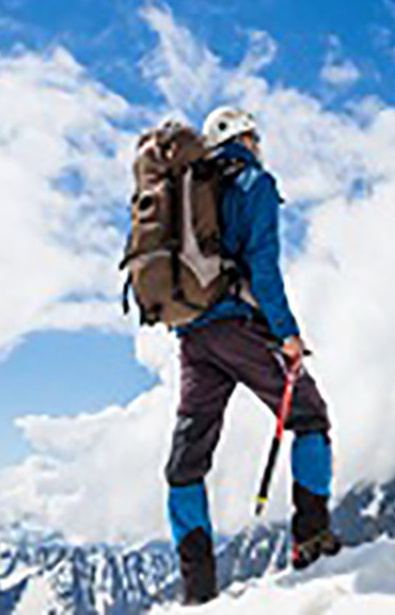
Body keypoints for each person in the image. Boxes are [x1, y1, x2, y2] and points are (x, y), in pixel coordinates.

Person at [163, 106, 339, 606]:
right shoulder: (253, 182)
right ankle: (312, 541)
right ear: (245, 138)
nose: (260, 144)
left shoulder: (187, 188)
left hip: (192, 337)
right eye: (256, 136)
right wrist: (287, 333)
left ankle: (197, 593)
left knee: (186, 463)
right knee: (309, 416)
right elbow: (263, 265)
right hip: (238, 326)